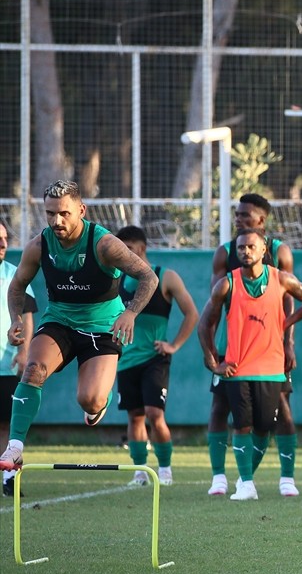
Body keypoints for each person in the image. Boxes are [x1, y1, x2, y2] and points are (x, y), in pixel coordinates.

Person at [0, 180, 159, 473]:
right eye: (50, 213)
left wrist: (131, 313)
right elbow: (17, 286)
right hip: (60, 320)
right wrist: (16, 319)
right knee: (33, 369)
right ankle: (16, 446)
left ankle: (99, 403)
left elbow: (149, 277)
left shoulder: (104, 244)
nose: (56, 221)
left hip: (102, 327)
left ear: (81, 210)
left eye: (64, 213)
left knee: (89, 399)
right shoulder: (39, 245)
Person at [198, 228, 302, 501]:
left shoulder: (281, 279)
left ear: (264, 250)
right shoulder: (226, 284)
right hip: (237, 368)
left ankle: (249, 478)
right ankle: (247, 484)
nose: (246, 252)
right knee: (241, 425)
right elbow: (204, 323)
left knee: (264, 428)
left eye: (252, 247)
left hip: (272, 368)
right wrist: (211, 360)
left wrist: (286, 323)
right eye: (241, 248)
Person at [207, 193, 302, 496]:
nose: (238, 219)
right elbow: (216, 303)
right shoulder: (225, 253)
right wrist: (214, 353)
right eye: (237, 214)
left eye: (245, 215)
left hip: (272, 349)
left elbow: (290, 301)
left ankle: (286, 478)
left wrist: (288, 341)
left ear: (262, 221)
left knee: (281, 409)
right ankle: (219, 477)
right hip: (233, 346)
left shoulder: (280, 252)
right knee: (220, 405)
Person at [114, 226, 199, 487]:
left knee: (154, 413)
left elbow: (192, 314)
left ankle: (164, 469)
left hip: (154, 358)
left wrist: (174, 345)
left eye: (125, 248)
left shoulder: (166, 277)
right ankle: (140, 472)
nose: (121, 255)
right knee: (134, 416)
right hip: (125, 359)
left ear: (140, 248)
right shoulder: (116, 282)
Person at [0, 222, 37, 496]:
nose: (2, 244)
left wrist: (25, 352)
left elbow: (28, 317)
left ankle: (9, 478)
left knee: (7, 423)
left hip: (7, 364)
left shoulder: (15, 275)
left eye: (4, 239)